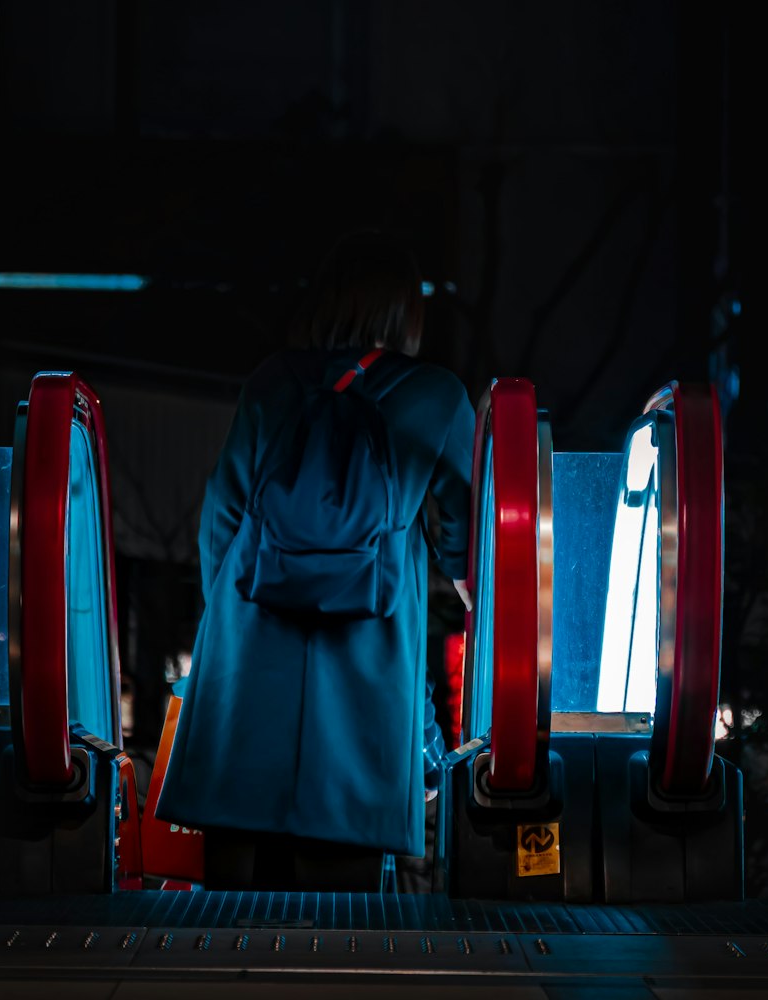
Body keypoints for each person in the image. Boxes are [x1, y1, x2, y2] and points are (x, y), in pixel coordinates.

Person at [154, 229, 475, 891]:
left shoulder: (273, 382)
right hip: (367, 667)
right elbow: (473, 528)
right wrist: (466, 589)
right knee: (341, 917)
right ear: (408, 313)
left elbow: (221, 523)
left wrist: (235, 630)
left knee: (228, 912)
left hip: (247, 670)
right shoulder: (436, 396)